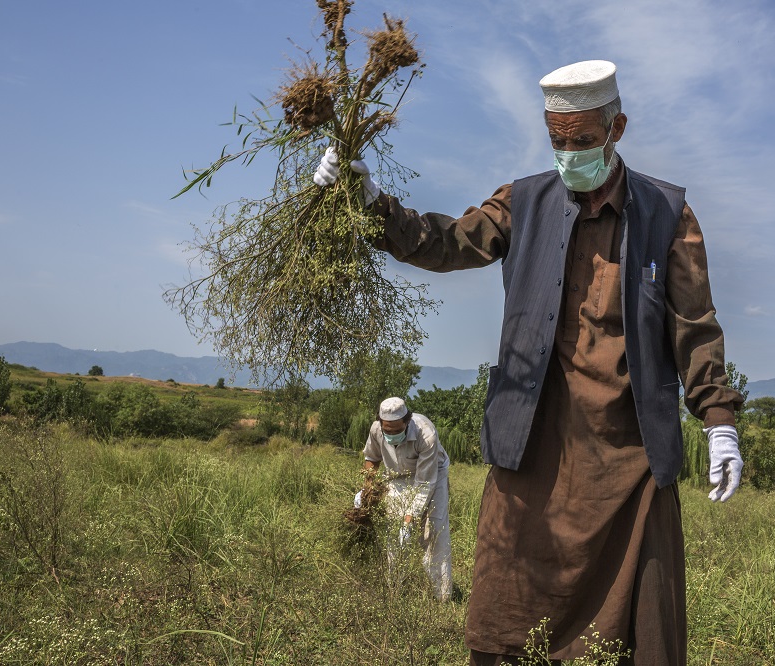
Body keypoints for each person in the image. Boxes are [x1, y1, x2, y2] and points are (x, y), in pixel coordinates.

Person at [316, 60, 743, 665]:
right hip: (532, 448)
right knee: (506, 617)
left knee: (640, 631)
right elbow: (443, 242)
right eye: (557, 141)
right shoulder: (524, 202)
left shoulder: (667, 216)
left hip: (629, 460)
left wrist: (719, 419)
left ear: (616, 127)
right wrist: (365, 202)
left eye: (583, 141)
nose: (569, 154)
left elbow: (694, 326)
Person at [361, 396, 453, 602]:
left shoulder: (426, 434)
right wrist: (366, 489)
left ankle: (442, 595)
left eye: (396, 430)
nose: (391, 434)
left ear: (407, 422)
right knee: (393, 529)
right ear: (381, 423)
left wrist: (409, 519)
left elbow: (424, 483)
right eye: (388, 431)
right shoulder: (376, 430)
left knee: (435, 528)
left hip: (432, 474)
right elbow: (372, 459)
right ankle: (395, 588)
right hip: (396, 475)